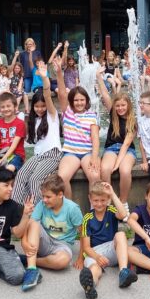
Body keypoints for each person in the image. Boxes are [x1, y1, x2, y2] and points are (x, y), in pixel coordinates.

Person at [20, 174, 84, 292]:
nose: (44, 200)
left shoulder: (72, 208)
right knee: (34, 223)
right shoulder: (42, 204)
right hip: (44, 241)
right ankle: (32, 269)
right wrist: (24, 242)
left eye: (48, 197)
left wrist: (81, 258)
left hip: (62, 245)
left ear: (60, 194)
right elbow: (29, 225)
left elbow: (84, 233)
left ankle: (28, 260)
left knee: (63, 261)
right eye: (43, 196)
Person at [77, 182, 137, 299]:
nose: (99, 204)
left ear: (108, 199)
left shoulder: (111, 210)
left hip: (111, 250)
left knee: (120, 234)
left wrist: (112, 193)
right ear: (90, 199)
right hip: (94, 252)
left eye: (103, 200)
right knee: (95, 269)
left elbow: (123, 214)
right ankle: (90, 286)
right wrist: (97, 257)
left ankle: (123, 272)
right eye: (96, 200)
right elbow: (86, 247)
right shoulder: (87, 218)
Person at [11, 66, 63, 204]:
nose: (40, 109)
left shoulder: (52, 116)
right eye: (37, 106)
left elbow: (47, 95)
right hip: (38, 155)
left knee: (35, 179)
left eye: (43, 106)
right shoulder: (33, 120)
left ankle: (39, 209)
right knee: (21, 175)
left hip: (53, 154)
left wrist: (44, 77)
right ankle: (16, 207)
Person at [54, 57, 100, 199]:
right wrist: (59, 73)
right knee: (62, 178)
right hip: (71, 153)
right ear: (72, 102)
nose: (79, 103)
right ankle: (70, 208)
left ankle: (94, 208)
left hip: (87, 153)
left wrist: (94, 157)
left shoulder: (92, 115)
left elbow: (95, 138)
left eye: (82, 100)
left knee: (95, 176)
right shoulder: (67, 113)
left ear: (86, 101)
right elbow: (62, 94)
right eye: (76, 100)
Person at [96, 67, 138, 208]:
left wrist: (118, 163)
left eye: (123, 105)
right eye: (118, 106)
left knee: (124, 171)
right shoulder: (113, 114)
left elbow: (126, 145)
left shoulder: (133, 122)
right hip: (111, 148)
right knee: (105, 169)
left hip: (127, 151)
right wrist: (99, 76)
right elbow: (105, 94)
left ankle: (123, 202)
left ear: (128, 105)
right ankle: (108, 200)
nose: (120, 108)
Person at [0, 92, 26, 173]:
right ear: (0, 109)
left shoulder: (20, 123)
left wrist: (4, 159)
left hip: (16, 154)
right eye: (3, 107)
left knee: (9, 169)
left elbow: (14, 145)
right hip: (1, 153)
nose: (6, 109)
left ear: (15, 106)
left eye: (8, 106)